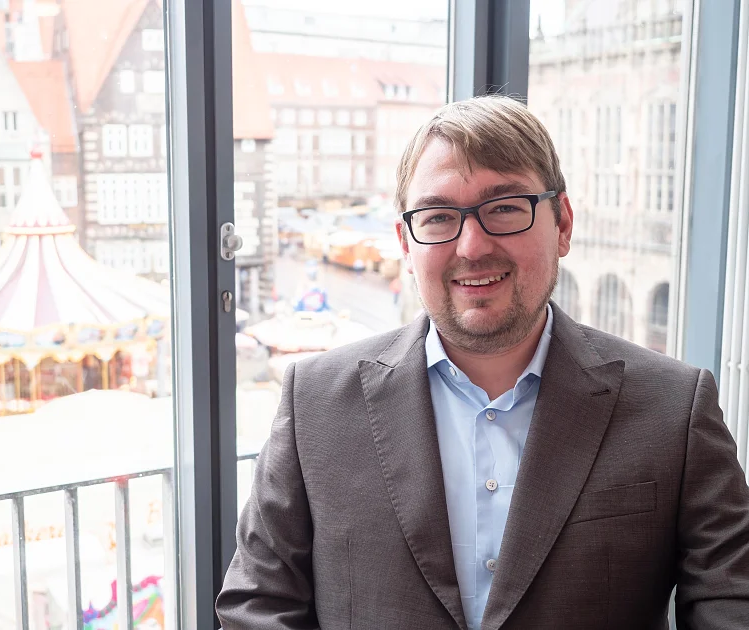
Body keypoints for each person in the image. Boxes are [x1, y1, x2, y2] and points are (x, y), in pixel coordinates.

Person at [216, 96, 749, 629]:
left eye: (505, 208)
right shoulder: (315, 404)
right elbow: (258, 605)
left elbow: (733, 601)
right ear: (406, 243)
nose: (472, 246)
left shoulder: (673, 409)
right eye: (439, 216)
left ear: (562, 223)